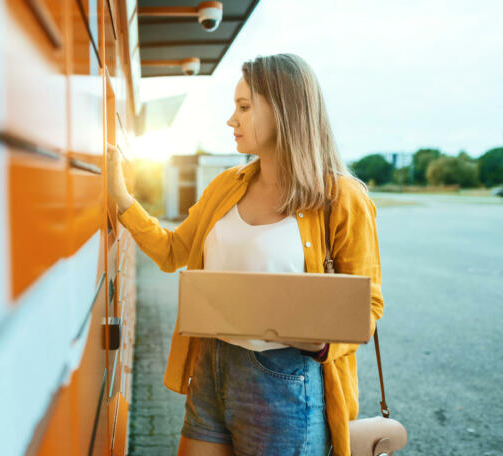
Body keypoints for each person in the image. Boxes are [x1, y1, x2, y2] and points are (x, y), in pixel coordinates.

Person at [107, 53, 384, 456]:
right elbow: (172, 253)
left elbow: (370, 305)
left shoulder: (342, 198)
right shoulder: (225, 186)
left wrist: (320, 344)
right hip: (212, 366)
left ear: (285, 111)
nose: (231, 119)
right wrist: (122, 199)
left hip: (284, 380)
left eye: (244, 107)